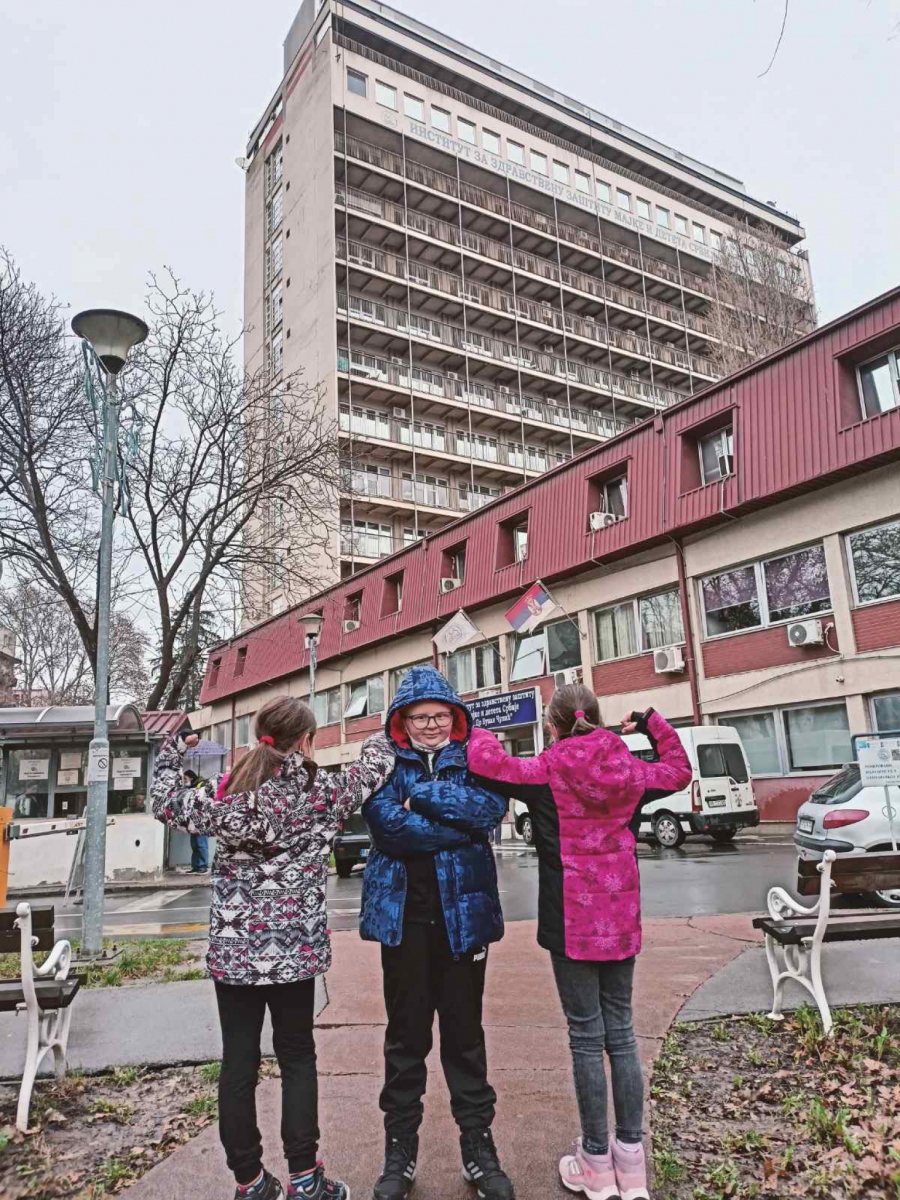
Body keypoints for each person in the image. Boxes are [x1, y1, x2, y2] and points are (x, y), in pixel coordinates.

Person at [151, 697, 395, 1200]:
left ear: (261, 735)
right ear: (306, 740)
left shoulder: (231, 799)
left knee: (238, 1061)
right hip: (295, 952)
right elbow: (376, 767)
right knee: (298, 1057)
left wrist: (174, 753)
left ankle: (250, 1181)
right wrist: (385, 730)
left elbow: (165, 800)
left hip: (236, 953)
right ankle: (307, 1179)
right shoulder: (325, 790)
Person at [466, 684, 691, 1200]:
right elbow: (678, 769)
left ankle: (594, 1160)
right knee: (623, 1034)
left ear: (553, 725)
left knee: (586, 1039)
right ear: (597, 718)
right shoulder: (629, 771)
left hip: (570, 921)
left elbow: (486, 762)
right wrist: (652, 722)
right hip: (621, 917)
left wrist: (474, 722)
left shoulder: (546, 769)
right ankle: (630, 1162)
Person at [359, 666, 514, 1200]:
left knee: (465, 1038)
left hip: (462, 923)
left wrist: (418, 797)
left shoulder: (476, 757)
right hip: (403, 924)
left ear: (455, 717)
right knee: (405, 1040)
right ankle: (399, 1152)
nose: (430, 726)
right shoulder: (381, 762)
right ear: (401, 721)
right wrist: (453, 824)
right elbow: (387, 829)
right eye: (420, 717)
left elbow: (490, 812)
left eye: (439, 716)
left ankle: (478, 1147)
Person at [181, 768, 210, 874]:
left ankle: (203, 866)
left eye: (185, 778)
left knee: (201, 843)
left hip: (201, 820)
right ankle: (196, 866)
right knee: (194, 844)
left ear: (192, 778)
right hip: (193, 820)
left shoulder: (201, 785)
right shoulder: (191, 787)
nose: (184, 781)